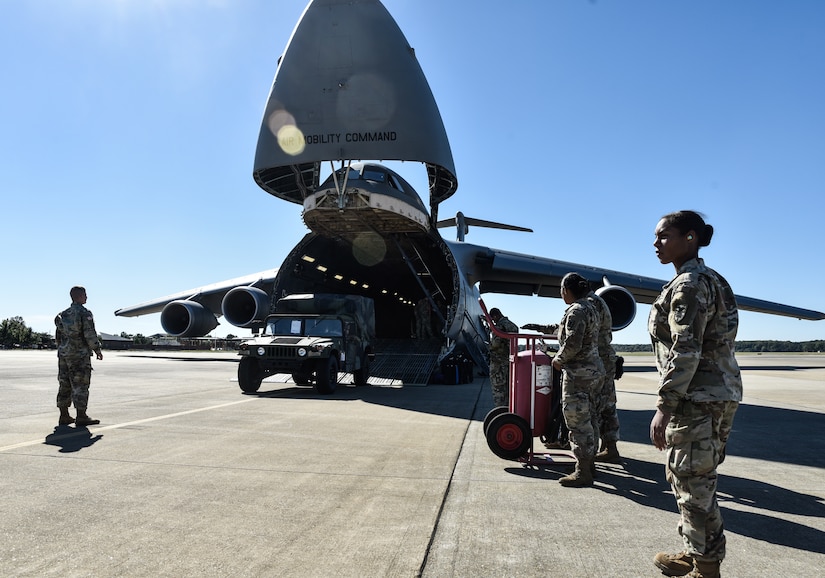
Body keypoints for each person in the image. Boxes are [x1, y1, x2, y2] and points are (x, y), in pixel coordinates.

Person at [648, 211, 741, 578]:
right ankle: (695, 551)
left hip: (695, 398)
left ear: (690, 237)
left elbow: (685, 350)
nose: (656, 244)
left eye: (663, 236)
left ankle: (706, 569)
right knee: (695, 480)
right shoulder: (712, 279)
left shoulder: (688, 285)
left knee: (692, 484)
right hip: (716, 394)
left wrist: (664, 406)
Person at [551, 273, 605, 487]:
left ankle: (583, 471)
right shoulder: (591, 308)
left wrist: (558, 359)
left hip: (578, 374)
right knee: (590, 419)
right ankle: (588, 465)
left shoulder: (577, 311)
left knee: (577, 422)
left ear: (567, 290)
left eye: (562, 288)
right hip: (594, 371)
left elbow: (573, 342)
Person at [55, 286, 103, 426]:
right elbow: (89, 333)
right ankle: (81, 416)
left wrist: (63, 349)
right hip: (79, 355)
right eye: (85, 295)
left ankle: (64, 415)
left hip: (64, 354)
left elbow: (58, 336)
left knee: (64, 383)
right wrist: (97, 349)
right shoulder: (84, 313)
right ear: (79, 296)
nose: (86, 297)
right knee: (80, 384)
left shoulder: (62, 315)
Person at [586, 290, 622, 463]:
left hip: (598, 358)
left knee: (598, 406)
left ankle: (603, 449)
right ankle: (609, 446)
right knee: (607, 403)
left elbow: (581, 329)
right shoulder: (598, 301)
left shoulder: (590, 304)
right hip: (605, 357)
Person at [488, 307, 518, 408]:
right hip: (508, 362)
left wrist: (488, 346)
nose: (493, 321)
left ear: (496, 316)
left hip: (498, 364)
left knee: (499, 390)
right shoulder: (512, 325)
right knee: (509, 390)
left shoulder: (499, 327)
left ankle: (500, 411)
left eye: (493, 319)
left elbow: (495, 344)